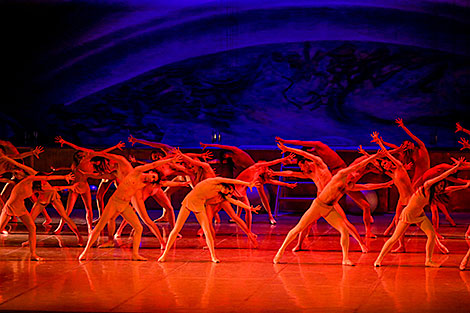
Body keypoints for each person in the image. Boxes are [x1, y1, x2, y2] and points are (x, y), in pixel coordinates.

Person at [273, 151, 392, 265]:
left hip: (329, 209)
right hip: (318, 205)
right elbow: (358, 165)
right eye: (354, 173)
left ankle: (345, 258)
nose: (355, 175)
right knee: (298, 228)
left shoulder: (348, 186)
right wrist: (373, 157)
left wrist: (384, 185)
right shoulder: (340, 176)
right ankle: (280, 252)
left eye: (356, 175)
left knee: (344, 230)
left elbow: (366, 186)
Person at [78, 154, 181, 261]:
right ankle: (85, 252)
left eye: (153, 179)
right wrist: (170, 159)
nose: (151, 179)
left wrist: (180, 184)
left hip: (125, 204)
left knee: (139, 228)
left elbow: (164, 183)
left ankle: (135, 254)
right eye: (153, 176)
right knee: (99, 226)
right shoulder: (137, 171)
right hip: (115, 202)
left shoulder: (144, 183)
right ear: (150, 172)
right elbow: (154, 164)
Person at [274, 142, 368, 253]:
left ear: (305, 162)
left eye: (301, 166)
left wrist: (287, 148)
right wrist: (275, 173)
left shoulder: (319, 164)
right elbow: (291, 173)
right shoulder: (310, 173)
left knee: (345, 223)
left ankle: (361, 243)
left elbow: (303, 153)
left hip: (330, 201)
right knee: (305, 224)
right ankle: (299, 245)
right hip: (319, 201)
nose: (301, 169)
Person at [374, 158, 467, 268]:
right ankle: (378, 259)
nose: (441, 188)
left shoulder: (433, 193)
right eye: (440, 185)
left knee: (431, 235)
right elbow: (441, 176)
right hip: (408, 214)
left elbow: (448, 189)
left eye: (442, 186)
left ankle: (428, 260)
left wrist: (464, 186)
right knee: (394, 238)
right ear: (435, 184)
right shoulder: (427, 186)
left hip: (420, 215)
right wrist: (455, 168)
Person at [157, 177, 260, 263]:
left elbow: (234, 201)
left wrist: (249, 208)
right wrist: (248, 183)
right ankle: (165, 254)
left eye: (229, 193)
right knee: (176, 229)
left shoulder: (220, 194)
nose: (228, 193)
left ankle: (213, 256)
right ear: (226, 186)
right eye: (229, 190)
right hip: (189, 202)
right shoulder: (214, 181)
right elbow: (232, 181)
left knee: (207, 230)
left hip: (200, 205)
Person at [0, 155, 74, 261]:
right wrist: (63, 177)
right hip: (10, 207)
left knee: (32, 228)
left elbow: (53, 187)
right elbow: (47, 177)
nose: (44, 182)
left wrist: (69, 186)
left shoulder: (35, 187)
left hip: (21, 207)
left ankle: (33, 254)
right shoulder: (28, 180)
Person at [53, 136, 125, 234]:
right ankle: (59, 227)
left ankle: (90, 228)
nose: (83, 153)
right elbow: (76, 150)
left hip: (85, 186)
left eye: (83, 153)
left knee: (89, 208)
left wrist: (116, 147)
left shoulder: (90, 161)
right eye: (80, 153)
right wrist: (64, 142)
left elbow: (103, 152)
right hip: (74, 187)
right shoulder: (76, 164)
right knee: (68, 210)